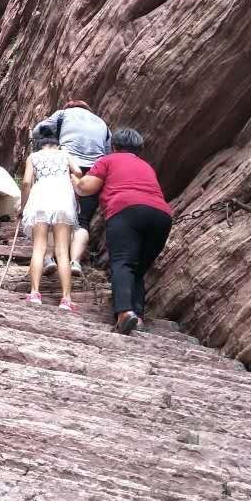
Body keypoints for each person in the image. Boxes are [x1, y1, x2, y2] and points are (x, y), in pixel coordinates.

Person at [74, 127, 173, 335]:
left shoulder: (109, 160)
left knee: (123, 263)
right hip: (161, 215)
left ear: (114, 146)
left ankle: (125, 313)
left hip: (126, 210)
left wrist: (75, 180)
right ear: (139, 149)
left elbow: (86, 187)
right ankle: (138, 316)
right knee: (138, 268)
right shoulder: (146, 166)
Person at [33, 99, 111, 276]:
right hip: (94, 170)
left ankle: (48, 258)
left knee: (55, 213)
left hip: (67, 164)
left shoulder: (63, 114)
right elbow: (107, 152)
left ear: (70, 106)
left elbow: (39, 130)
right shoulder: (102, 123)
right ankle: (75, 262)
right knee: (83, 220)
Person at [19, 123, 82, 311]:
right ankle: (66, 298)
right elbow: (78, 171)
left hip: (40, 199)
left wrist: (24, 206)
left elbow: (26, 182)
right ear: (56, 142)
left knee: (39, 248)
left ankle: (35, 293)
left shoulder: (33, 157)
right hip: (62, 199)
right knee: (63, 251)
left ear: (40, 143)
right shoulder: (65, 154)